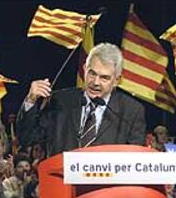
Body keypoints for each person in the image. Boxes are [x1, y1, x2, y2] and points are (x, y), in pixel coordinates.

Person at [17, 42, 146, 157]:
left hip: (107, 183)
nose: (95, 82)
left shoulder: (131, 111)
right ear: (84, 70)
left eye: (104, 78)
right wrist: (31, 100)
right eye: (92, 73)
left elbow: (134, 160)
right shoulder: (60, 101)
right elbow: (27, 139)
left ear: (116, 80)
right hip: (62, 181)